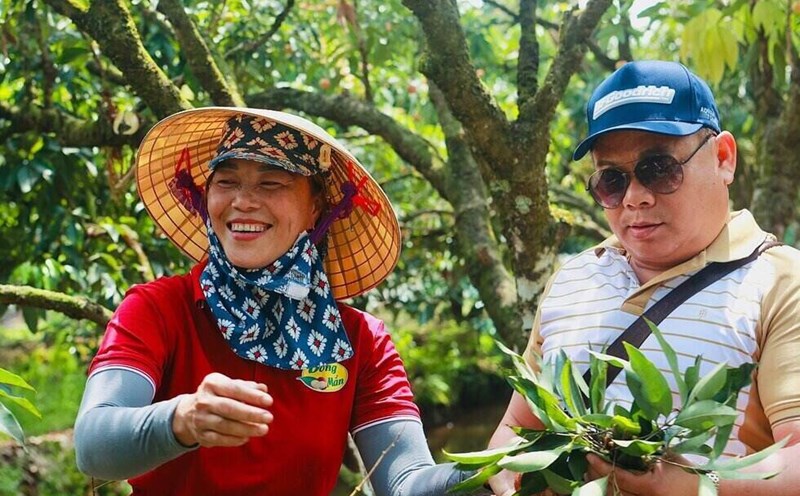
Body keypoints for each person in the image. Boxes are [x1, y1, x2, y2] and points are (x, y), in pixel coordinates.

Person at [73, 107, 488, 495]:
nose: (243, 201)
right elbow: (93, 445)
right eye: (226, 181)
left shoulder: (359, 340)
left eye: (272, 182)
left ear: (315, 209)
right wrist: (180, 420)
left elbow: (405, 479)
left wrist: (491, 473)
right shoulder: (159, 308)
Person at [487, 60, 800, 495]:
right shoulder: (575, 275)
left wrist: (694, 487)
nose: (634, 198)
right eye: (611, 180)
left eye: (659, 168)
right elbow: (517, 425)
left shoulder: (782, 281)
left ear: (723, 159)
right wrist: (507, 476)